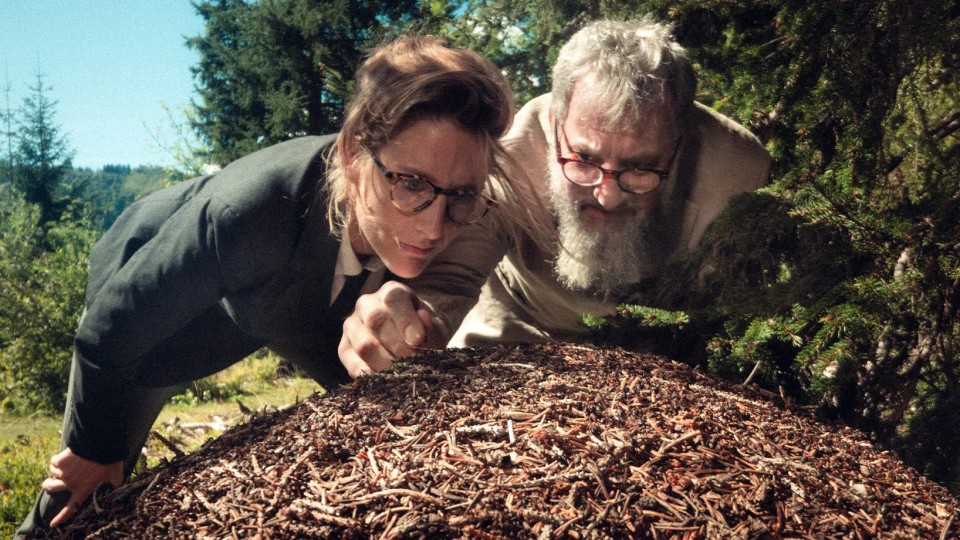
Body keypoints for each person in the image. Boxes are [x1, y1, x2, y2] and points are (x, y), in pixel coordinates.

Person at [16, 35, 550, 537]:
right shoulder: (246, 212)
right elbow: (108, 332)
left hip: (277, 304)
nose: (434, 229)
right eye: (410, 184)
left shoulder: (456, 206)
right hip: (151, 309)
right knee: (84, 493)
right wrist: (93, 449)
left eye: (462, 194)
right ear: (352, 153)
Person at [338, 18, 771, 375]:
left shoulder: (737, 169)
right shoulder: (511, 153)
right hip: (517, 332)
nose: (607, 196)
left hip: (665, 350)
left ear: (680, 141)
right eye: (584, 158)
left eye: (640, 167)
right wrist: (410, 324)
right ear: (554, 121)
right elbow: (450, 281)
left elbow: (732, 310)